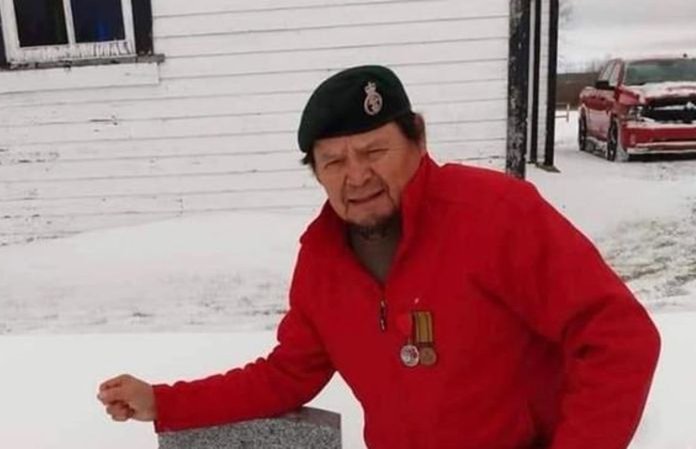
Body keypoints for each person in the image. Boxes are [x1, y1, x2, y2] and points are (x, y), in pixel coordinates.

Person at [97, 65, 660, 449]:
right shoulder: (321, 261)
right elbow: (285, 376)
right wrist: (164, 402)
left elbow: (618, 338)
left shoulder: (494, 214)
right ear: (316, 173)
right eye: (334, 161)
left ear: (418, 140)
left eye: (374, 150)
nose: (357, 175)